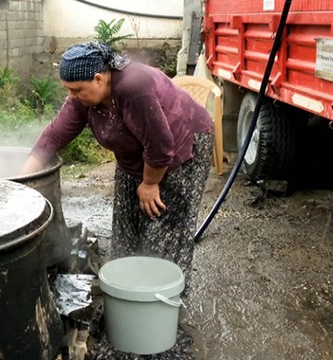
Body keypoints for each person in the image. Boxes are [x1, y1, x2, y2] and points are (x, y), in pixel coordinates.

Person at [21, 42, 213, 358]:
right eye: (68, 90)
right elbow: (54, 136)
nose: (72, 96)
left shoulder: (134, 88)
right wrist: (22, 179)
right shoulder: (84, 99)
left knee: (163, 228)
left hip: (179, 150)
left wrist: (150, 184)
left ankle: (163, 314)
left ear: (100, 78)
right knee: (126, 224)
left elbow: (161, 146)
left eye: (77, 89)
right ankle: (127, 300)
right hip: (134, 158)